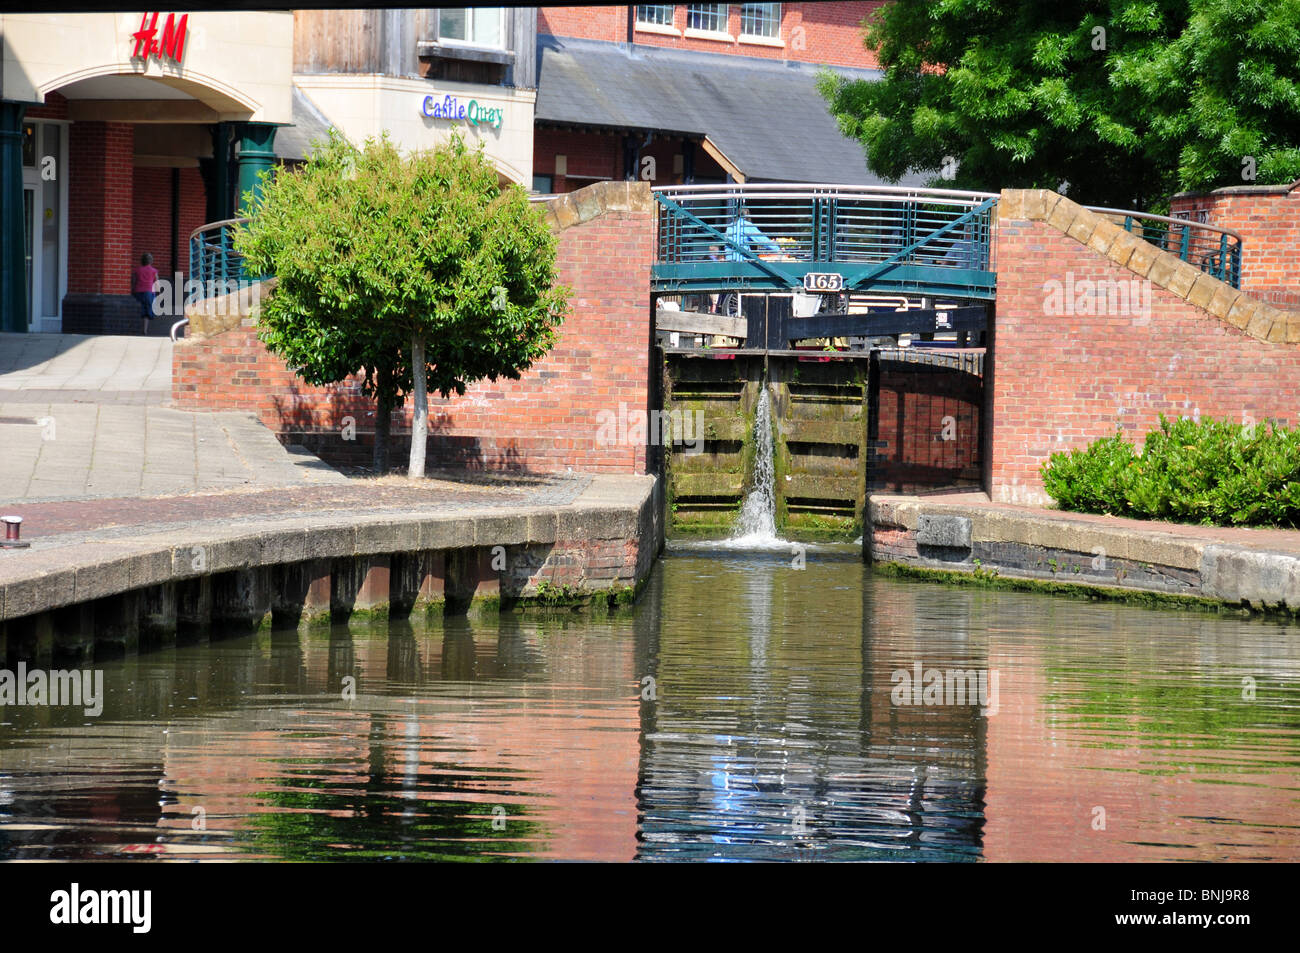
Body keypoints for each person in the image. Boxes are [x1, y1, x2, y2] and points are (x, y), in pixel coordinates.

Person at [132, 253, 158, 335]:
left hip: (138, 292)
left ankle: (135, 326)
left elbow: (133, 281)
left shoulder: (137, 270)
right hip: (149, 292)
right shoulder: (154, 271)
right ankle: (144, 329)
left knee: (139, 309)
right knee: (146, 312)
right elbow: (156, 282)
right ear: (151, 261)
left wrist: (132, 289)